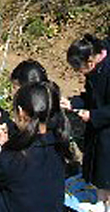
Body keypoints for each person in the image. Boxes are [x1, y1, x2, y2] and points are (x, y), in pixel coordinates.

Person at [0, 82, 71, 212]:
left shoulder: (16, 157)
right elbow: (29, 132)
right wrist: (1, 119)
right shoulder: (58, 142)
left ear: (20, 111)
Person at [61, 33, 110, 207]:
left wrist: (93, 115)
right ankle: (101, 201)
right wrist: (73, 102)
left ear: (90, 61)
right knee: (99, 172)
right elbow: (91, 97)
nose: (78, 72)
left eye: (78, 68)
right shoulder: (96, 69)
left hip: (106, 129)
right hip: (100, 129)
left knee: (106, 173)